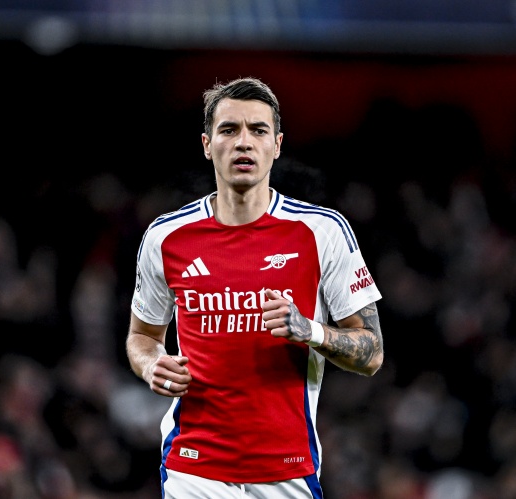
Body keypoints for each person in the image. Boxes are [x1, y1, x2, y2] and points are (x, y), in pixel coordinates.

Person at [125, 76, 384, 498]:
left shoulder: (322, 232)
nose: (243, 142)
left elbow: (372, 353)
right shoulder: (165, 237)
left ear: (277, 145)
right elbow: (142, 336)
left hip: (288, 470)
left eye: (258, 130)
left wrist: (310, 330)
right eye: (229, 130)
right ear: (207, 144)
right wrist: (152, 363)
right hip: (193, 467)